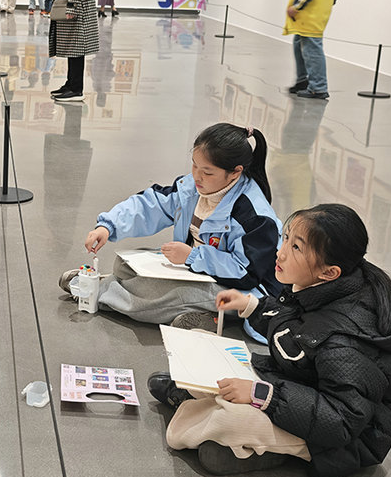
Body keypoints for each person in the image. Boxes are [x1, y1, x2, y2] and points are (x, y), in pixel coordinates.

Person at [149, 204, 391, 477]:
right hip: (296, 385)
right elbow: (293, 327)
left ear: (329, 272)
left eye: (296, 247)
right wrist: (250, 306)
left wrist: (262, 395)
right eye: (286, 238)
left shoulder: (344, 342)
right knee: (208, 346)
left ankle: (228, 424)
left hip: (339, 440)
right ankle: (213, 414)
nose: (281, 252)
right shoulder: (320, 286)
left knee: (231, 418)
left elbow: (342, 421)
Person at [61, 123, 281, 339]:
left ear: (235, 173)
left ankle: (93, 291)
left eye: (207, 172)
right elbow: (152, 205)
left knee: (161, 296)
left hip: (240, 287)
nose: (197, 176)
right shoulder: (193, 187)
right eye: (194, 165)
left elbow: (246, 273)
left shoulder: (255, 216)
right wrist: (108, 226)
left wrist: (192, 256)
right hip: (196, 268)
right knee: (124, 265)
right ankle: (197, 313)